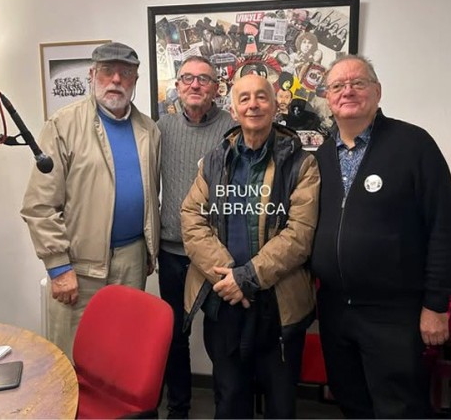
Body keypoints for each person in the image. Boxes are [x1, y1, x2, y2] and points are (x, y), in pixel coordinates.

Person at [310, 54, 451, 418]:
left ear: (377, 92)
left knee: (400, 408)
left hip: (394, 313)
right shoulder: (320, 157)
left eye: (358, 83)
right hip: (335, 309)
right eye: (338, 85)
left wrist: (436, 305)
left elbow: (444, 227)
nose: (347, 91)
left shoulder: (413, 145)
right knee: (351, 401)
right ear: (328, 98)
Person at [180, 74, 320, 419]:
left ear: (275, 106)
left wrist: (247, 277)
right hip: (224, 300)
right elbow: (191, 218)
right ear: (233, 110)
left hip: (277, 302)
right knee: (229, 398)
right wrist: (229, 278)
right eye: (244, 98)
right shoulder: (214, 160)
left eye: (261, 97)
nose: (253, 105)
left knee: (280, 402)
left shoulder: (301, 164)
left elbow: (300, 233)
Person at [21, 41, 161, 360]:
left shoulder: (149, 130)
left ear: (135, 80)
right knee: (73, 357)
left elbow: (151, 193)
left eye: (125, 73)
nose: (116, 80)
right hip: (79, 266)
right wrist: (58, 267)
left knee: (122, 354)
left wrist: (148, 250)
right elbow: (39, 205)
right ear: (92, 74)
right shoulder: (63, 125)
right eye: (108, 71)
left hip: (132, 260)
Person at [156, 55, 238, 419]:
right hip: (172, 253)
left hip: (217, 255)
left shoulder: (233, 129)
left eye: (203, 79)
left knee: (223, 340)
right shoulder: (161, 129)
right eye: (187, 78)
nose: (195, 85)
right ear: (177, 86)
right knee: (175, 335)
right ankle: (178, 408)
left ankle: (227, 409)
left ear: (216, 88)